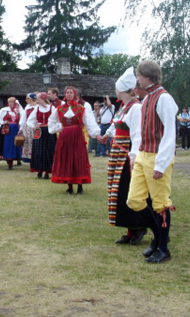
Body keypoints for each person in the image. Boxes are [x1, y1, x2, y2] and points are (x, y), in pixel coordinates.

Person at [127, 60, 178, 264]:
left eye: (139, 75)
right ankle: (157, 237)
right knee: (135, 200)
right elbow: (141, 132)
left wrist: (161, 163)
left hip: (157, 155)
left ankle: (163, 247)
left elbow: (169, 133)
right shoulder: (147, 99)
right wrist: (135, 155)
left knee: (160, 204)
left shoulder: (164, 98)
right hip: (143, 154)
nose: (137, 78)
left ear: (147, 76)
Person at [103, 68, 148, 245]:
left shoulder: (136, 107)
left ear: (121, 90)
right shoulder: (124, 107)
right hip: (117, 154)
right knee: (119, 192)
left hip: (126, 155)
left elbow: (137, 134)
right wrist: (107, 134)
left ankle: (138, 227)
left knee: (129, 190)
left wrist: (134, 157)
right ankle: (129, 229)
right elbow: (116, 126)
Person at [48, 86, 101, 194]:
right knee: (67, 159)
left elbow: (89, 122)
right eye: (67, 92)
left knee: (78, 159)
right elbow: (51, 121)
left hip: (77, 137)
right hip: (64, 137)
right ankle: (70, 186)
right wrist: (56, 128)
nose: (69, 94)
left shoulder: (81, 109)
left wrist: (96, 134)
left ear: (75, 94)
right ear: (65, 94)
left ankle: (80, 185)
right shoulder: (60, 109)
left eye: (71, 92)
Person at [26, 92, 57, 179]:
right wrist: (34, 126)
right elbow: (30, 121)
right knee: (39, 152)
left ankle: (47, 171)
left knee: (48, 151)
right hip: (39, 132)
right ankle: (39, 170)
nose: (37, 100)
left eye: (38, 99)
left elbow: (57, 119)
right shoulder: (36, 109)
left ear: (42, 99)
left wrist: (53, 127)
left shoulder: (52, 108)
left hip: (49, 132)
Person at [0, 97, 26, 170]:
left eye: (12, 102)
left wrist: (21, 127)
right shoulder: (4, 110)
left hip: (16, 129)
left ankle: (17, 159)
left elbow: (23, 118)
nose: (10, 104)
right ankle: (9, 163)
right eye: (9, 102)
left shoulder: (18, 111)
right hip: (8, 130)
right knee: (8, 145)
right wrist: (2, 122)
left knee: (16, 144)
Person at [20, 93, 37, 162]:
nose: (26, 100)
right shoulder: (27, 107)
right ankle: (28, 158)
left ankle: (34, 158)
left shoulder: (37, 107)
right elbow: (23, 118)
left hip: (35, 127)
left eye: (27, 98)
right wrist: (21, 128)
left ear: (31, 99)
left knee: (33, 143)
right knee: (27, 143)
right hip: (27, 128)